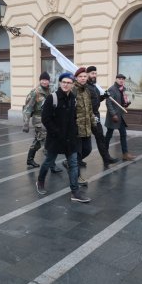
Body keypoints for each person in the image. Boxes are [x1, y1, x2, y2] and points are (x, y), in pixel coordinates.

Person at [36, 72, 91, 203]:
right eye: (64, 82)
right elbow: (46, 119)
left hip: (71, 138)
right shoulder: (52, 98)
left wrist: (75, 132)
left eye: (69, 83)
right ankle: (40, 181)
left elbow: (73, 118)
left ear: (73, 85)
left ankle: (75, 192)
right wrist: (57, 132)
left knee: (73, 164)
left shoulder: (73, 98)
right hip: (55, 138)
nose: (66, 85)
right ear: (60, 83)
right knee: (49, 161)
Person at [22, 71, 62, 173]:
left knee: (38, 140)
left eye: (46, 80)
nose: (45, 82)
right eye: (43, 80)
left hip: (48, 119)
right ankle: (52, 165)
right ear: (40, 80)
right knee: (48, 142)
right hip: (39, 121)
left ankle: (30, 160)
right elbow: (27, 109)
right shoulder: (35, 93)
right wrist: (26, 123)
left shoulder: (50, 91)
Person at [62, 67, 96, 186]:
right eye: (80, 76)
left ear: (87, 78)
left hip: (86, 127)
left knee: (88, 149)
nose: (83, 78)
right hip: (75, 128)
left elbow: (90, 109)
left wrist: (93, 123)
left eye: (85, 76)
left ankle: (69, 162)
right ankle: (77, 178)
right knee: (78, 153)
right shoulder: (73, 90)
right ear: (76, 78)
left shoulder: (86, 90)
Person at [86, 66, 119, 168]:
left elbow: (96, 100)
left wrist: (103, 96)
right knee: (83, 140)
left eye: (95, 73)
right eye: (92, 73)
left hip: (96, 115)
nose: (94, 75)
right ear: (87, 74)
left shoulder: (95, 87)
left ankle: (106, 158)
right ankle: (75, 160)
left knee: (100, 137)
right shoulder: (85, 87)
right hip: (87, 116)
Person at [105, 73, 136, 161]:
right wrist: (113, 114)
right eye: (119, 78)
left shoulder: (122, 89)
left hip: (120, 116)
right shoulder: (112, 89)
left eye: (123, 79)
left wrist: (126, 104)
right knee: (109, 135)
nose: (121, 80)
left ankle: (125, 154)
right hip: (113, 117)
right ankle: (105, 153)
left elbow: (121, 102)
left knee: (123, 134)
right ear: (116, 79)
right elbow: (108, 102)